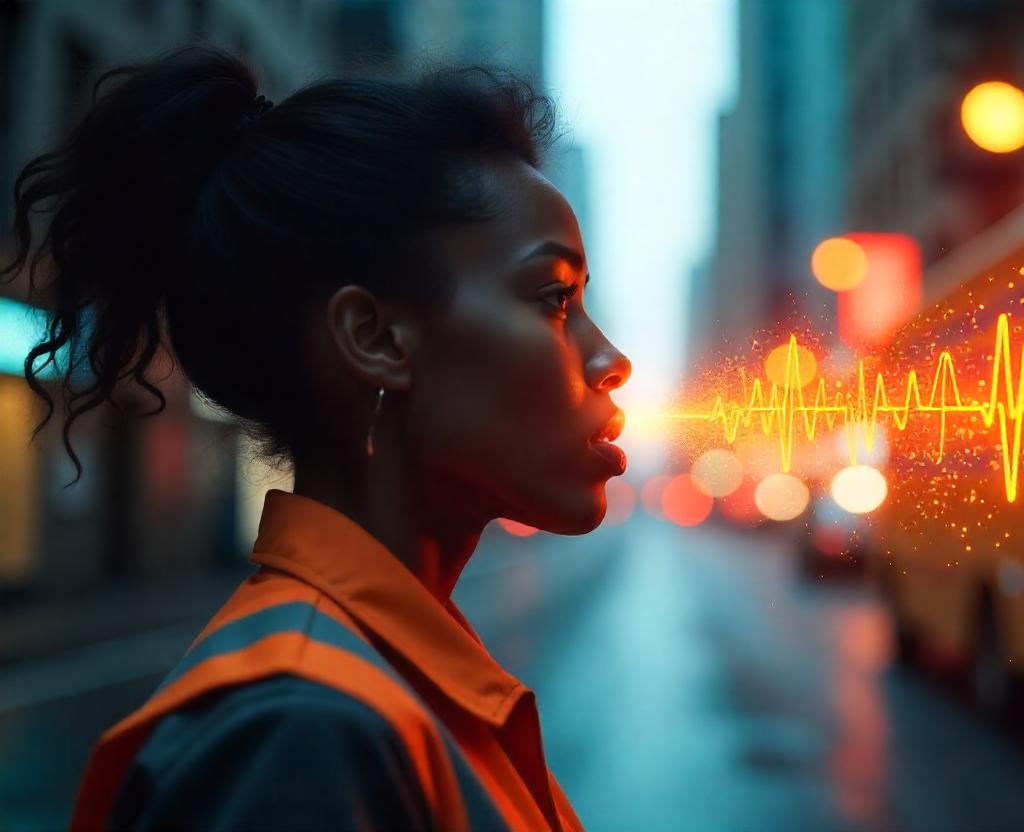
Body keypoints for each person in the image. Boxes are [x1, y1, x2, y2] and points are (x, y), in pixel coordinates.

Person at [2, 44, 630, 831]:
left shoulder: (371, 682)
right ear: (374, 337)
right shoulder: (298, 733)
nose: (611, 359)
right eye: (552, 297)